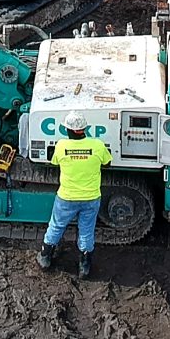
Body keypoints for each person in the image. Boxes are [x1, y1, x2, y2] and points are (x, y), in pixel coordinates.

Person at [36, 115, 111, 279]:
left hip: (67, 197)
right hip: (91, 198)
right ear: (84, 129)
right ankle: (84, 266)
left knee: (56, 225)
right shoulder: (97, 145)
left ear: (68, 129)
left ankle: (45, 257)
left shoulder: (62, 146)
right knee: (86, 231)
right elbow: (107, 162)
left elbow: (54, 162)